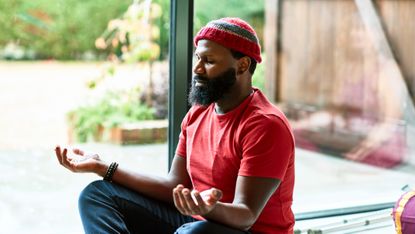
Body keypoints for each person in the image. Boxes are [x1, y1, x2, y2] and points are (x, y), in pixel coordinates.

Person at [55, 17, 295, 234]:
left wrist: (207, 208)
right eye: (198, 57)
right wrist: (103, 167)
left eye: (209, 61)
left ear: (242, 66)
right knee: (97, 195)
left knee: (193, 233)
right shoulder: (198, 113)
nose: (197, 68)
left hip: (247, 231)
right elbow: (174, 186)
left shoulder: (265, 125)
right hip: (198, 222)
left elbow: (246, 216)